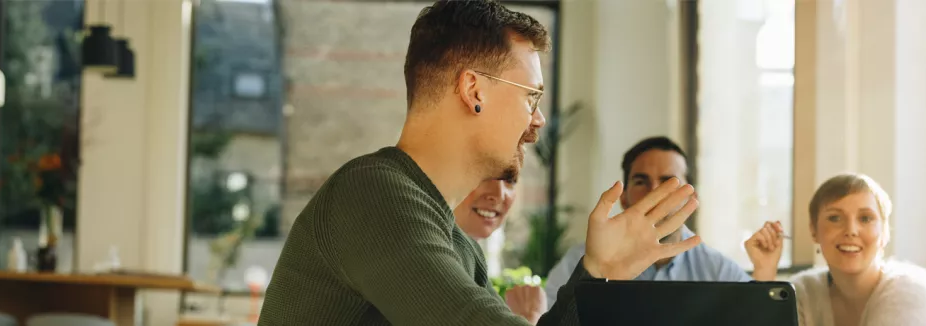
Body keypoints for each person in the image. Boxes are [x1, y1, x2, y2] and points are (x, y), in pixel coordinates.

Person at [259, 2, 703, 325]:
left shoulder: (456, 241)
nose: (540, 119)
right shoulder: (374, 196)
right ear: (474, 90)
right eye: (531, 96)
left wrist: (597, 271)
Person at [544, 136, 751, 308]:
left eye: (668, 182)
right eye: (641, 181)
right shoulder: (580, 262)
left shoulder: (719, 271)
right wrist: (596, 274)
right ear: (623, 198)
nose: (654, 192)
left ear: (689, 197)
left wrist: (764, 271)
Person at [747, 173, 926, 326]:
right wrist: (765, 272)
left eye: (866, 218)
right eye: (835, 218)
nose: (851, 231)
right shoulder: (801, 292)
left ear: (885, 233)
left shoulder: (914, 292)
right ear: (813, 230)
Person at [452, 178, 547, 324]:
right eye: (485, 177)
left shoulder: (473, 267)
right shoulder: (433, 265)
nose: (499, 194)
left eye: (510, 180)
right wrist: (529, 318)